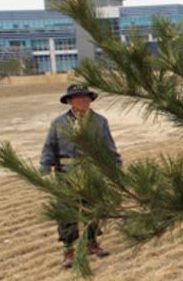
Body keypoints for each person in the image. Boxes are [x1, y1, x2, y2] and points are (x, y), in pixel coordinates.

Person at [40, 84, 122, 268]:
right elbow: (49, 146)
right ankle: (68, 250)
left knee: (92, 208)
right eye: (78, 98)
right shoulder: (59, 123)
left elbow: (109, 146)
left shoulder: (100, 121)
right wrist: (45, 167)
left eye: (86, 97)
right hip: (66, 174)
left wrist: (116, 167)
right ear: (69, 101)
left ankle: (92, 243)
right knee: (67, 212)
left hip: (92, 172)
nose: (83, 100)